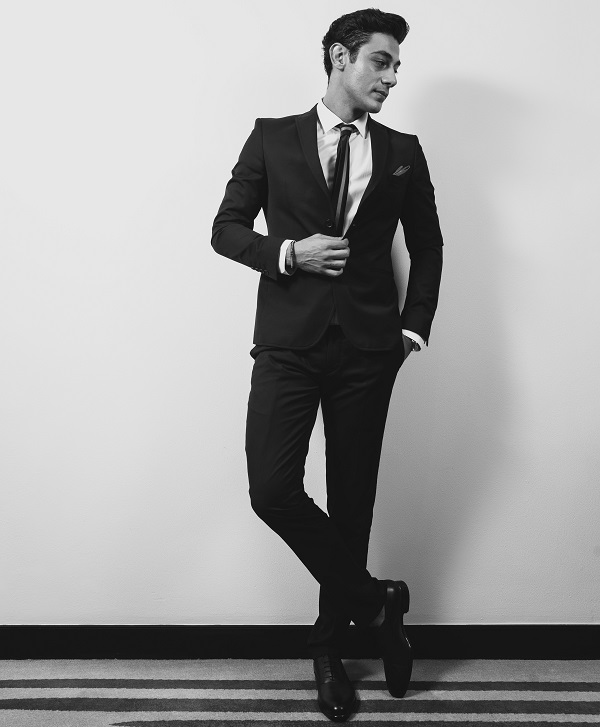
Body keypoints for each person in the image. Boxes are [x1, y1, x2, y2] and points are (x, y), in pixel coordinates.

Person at [212, 8, 443, 722]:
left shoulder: (403, 149)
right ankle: (378, 602)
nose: (392, 77)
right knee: (272, 487)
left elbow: (428, 245)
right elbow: (224, 228)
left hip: (370, 351)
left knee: (352, 504)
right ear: (340, 58)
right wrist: (288, 253)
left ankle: (329, 651)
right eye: (381, 61)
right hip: (288, 342)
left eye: (397, 65)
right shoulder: (271, 138)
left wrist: (412, 331)